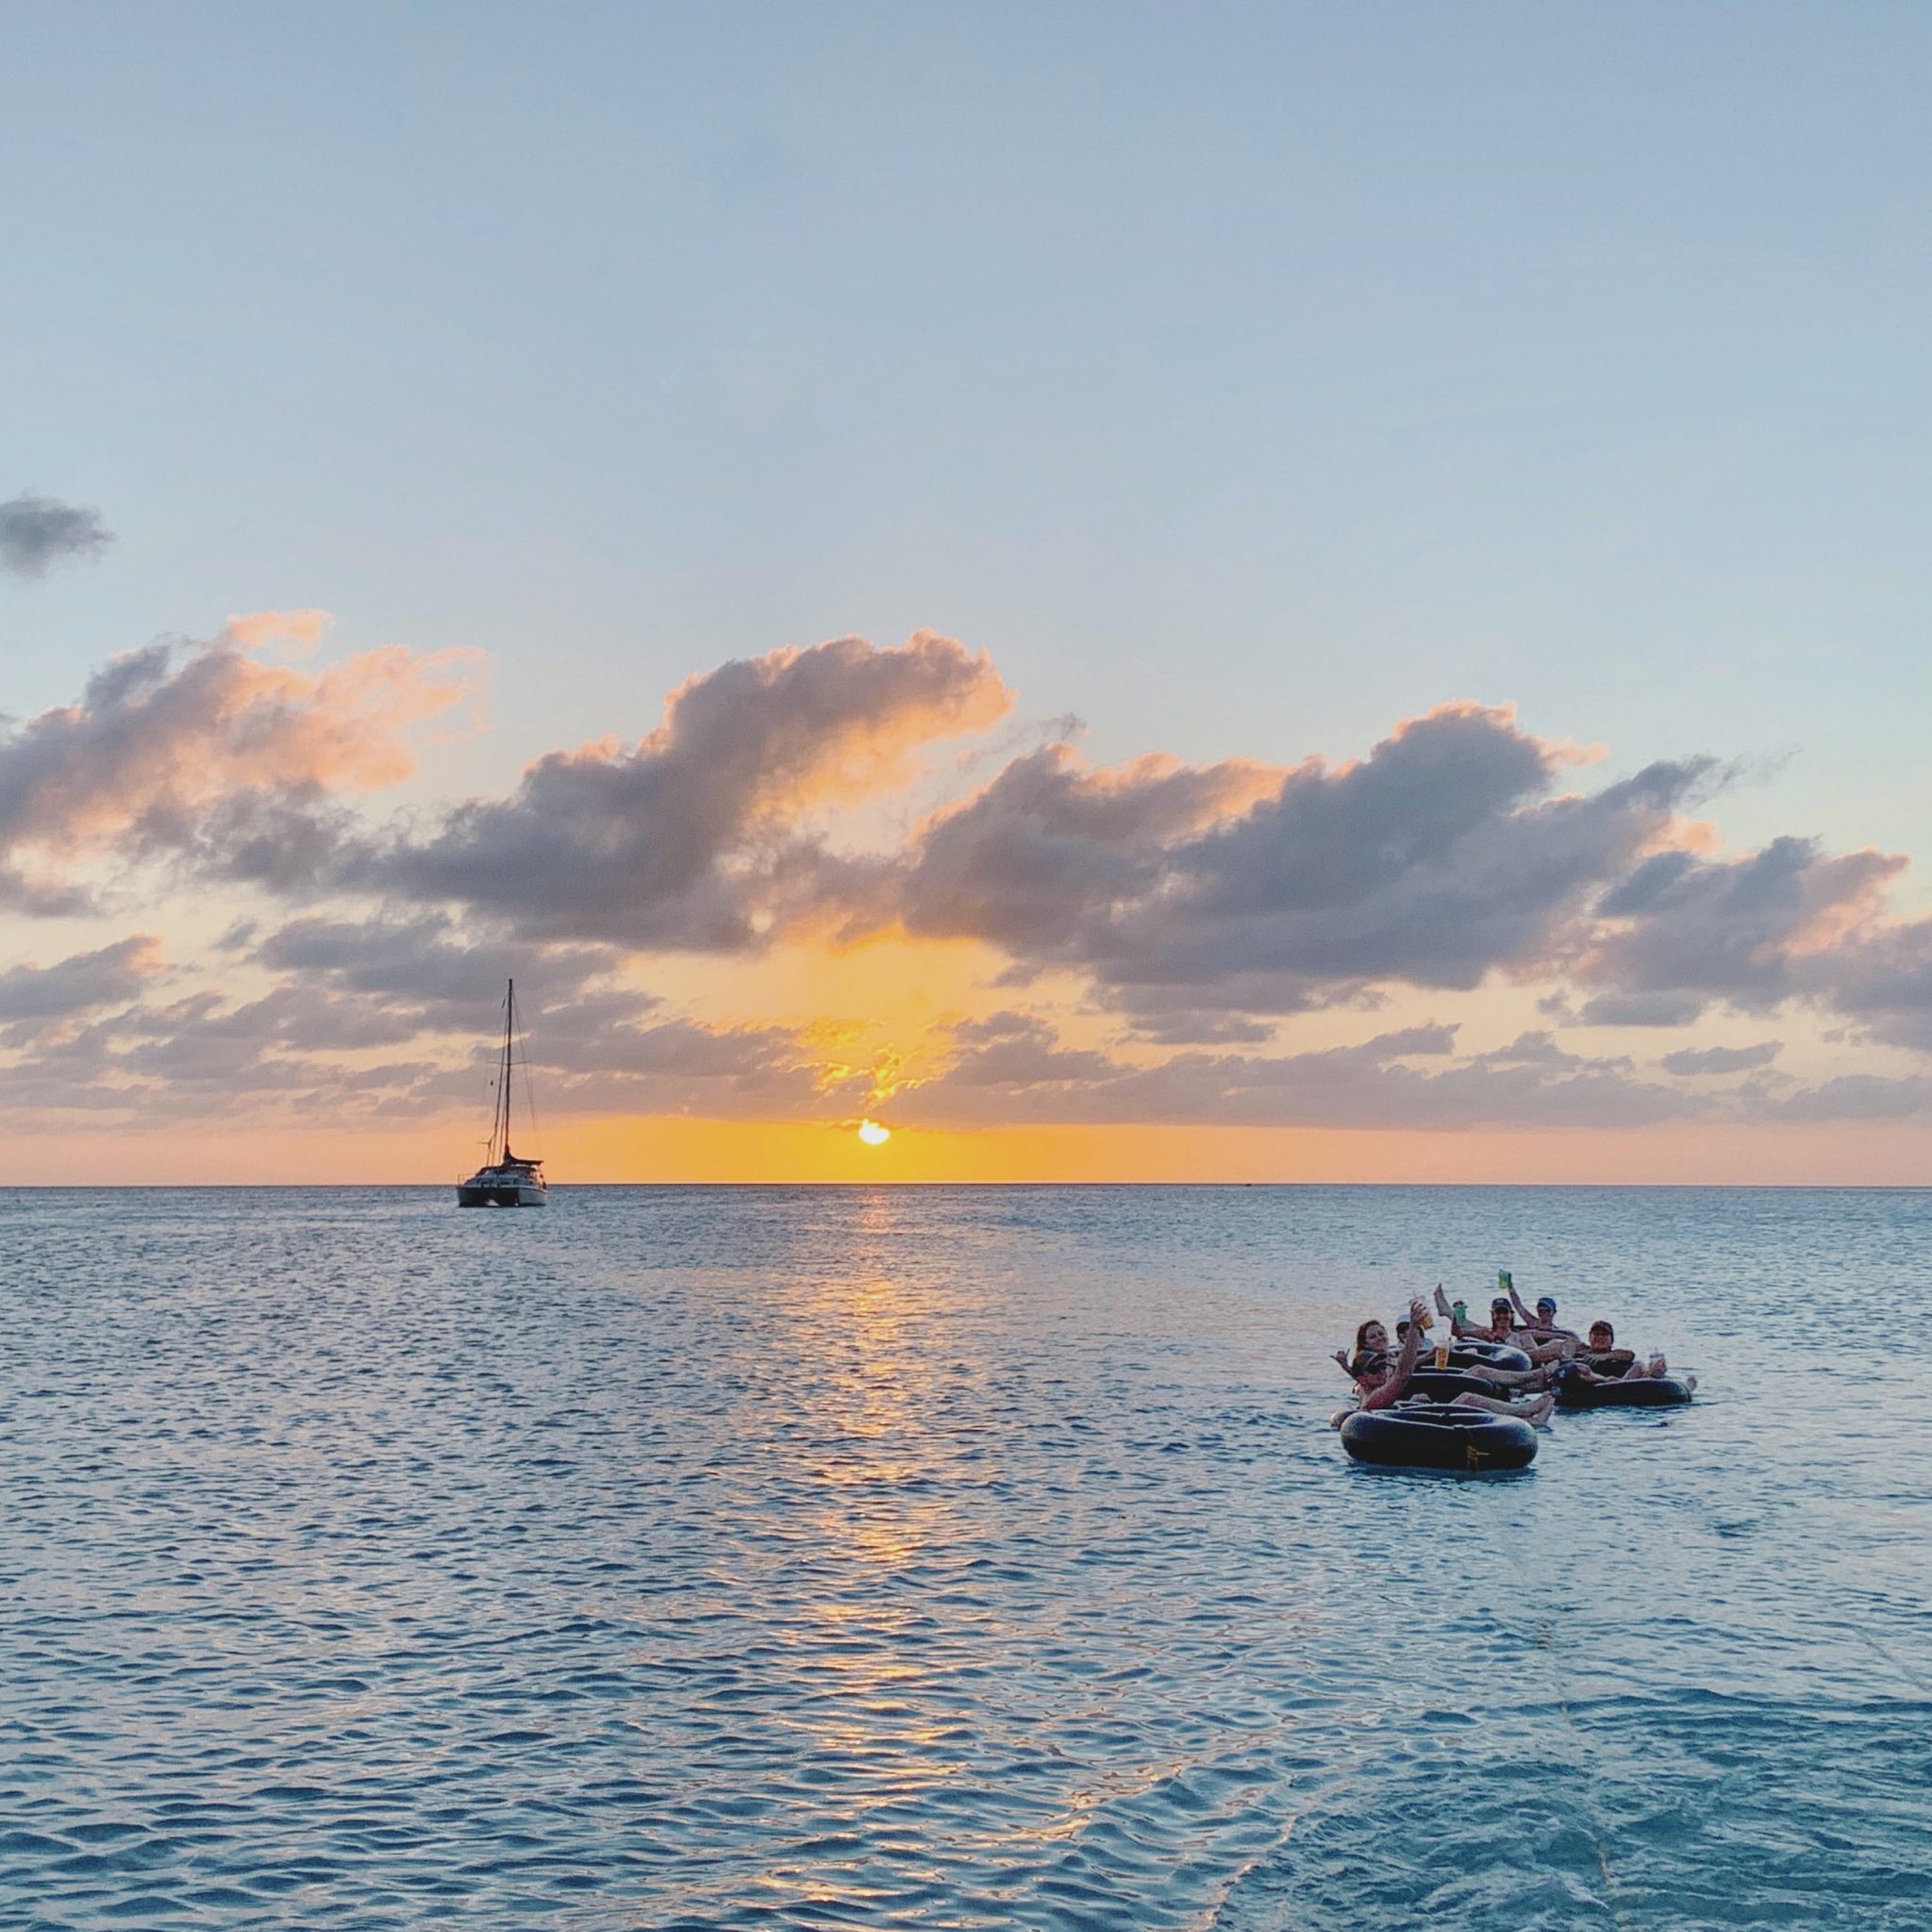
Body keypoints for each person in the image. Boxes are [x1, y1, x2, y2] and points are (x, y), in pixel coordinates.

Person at [1336, 1297, 1555, 1425]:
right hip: (1412, 1425)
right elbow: (1402, 1375)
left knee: (1465, 1385)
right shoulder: (1374, 1397)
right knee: (1469, 1397)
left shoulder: (1374, 1378)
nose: (1382, 1371)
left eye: (1381, 1334)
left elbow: (1396, 1380)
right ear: (1363, 1377)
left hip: (1414, 1408)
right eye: (1376, 1370)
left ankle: (1532, 1402)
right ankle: (1528, 1409)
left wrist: (1415, 1401)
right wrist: (1414, 1327)